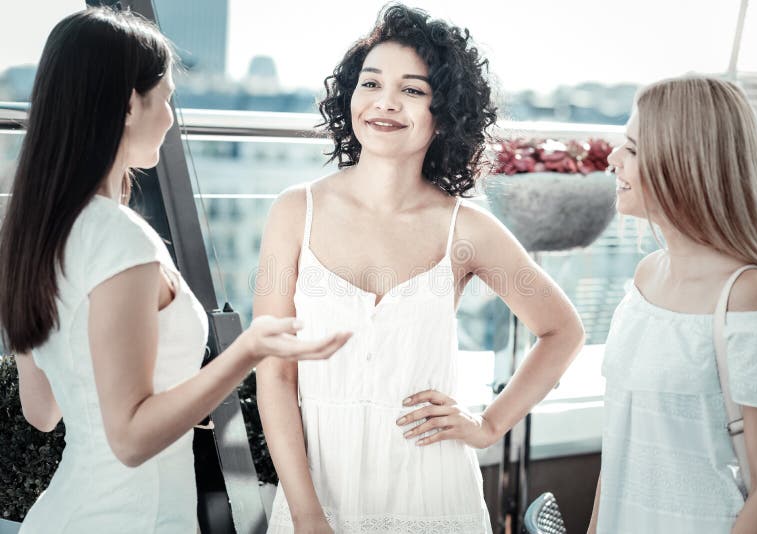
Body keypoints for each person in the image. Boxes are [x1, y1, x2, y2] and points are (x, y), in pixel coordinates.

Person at [0, 8, 350, 533]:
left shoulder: (36, 234)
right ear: (126, 106)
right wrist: (249, 349)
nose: (170, 117)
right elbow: (132, 438)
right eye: (165, 98)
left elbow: (43, 409)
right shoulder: (123, 241)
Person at [254, 4, 585, 533]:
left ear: (444, 112)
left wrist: (489, 423)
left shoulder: (467, 231)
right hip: (317, 493)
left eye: (412, 90)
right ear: (350, 96)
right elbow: (273, 372)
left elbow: (562, 330)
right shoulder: (294, 212)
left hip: (432, 493)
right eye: (371, 83)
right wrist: (306, 514)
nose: (385, 103)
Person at [588, 76, 757, 534]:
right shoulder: (646, 275)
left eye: (633, 148)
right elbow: (620, 448)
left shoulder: (753, 295)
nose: (613, 159)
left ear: (683, 163)